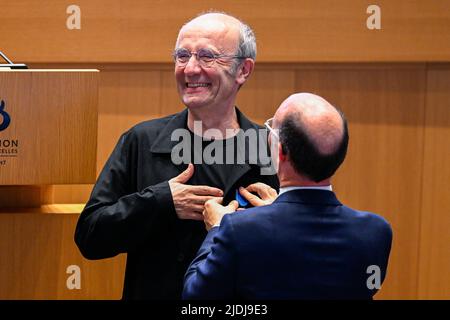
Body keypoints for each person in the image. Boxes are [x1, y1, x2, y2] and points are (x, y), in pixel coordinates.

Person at [74, 12, 278, 299]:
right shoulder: (141, 140)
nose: (190, 69)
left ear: (243, 70)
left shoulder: (270, 147)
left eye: (207, 56)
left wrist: (279, 220)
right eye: (182, 56)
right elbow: (90, 237)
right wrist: (160, 202)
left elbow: (301, 254)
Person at [183, 93, 393, 299]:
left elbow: (195, 297)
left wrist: (217, 229)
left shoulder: (238, 230)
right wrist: (277, 212)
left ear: (280, 151)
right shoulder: (376, 232)